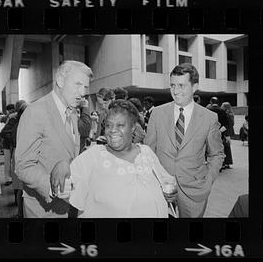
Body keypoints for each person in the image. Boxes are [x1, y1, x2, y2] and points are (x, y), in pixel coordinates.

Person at [68, 99, 177, 218]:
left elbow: (166, 180)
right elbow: (66, 185)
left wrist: (172, 192)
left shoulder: (146, 152)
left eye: (120, 125)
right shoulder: (94, 155)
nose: (112, 130)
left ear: (133, 128)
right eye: (108, 125)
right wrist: (62, 166)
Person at [145, 63, 225, 218]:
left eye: (181, 85)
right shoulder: (157, 113)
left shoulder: (209, 118)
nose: (175, 91)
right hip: (161, 189)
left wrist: (207, 182)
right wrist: (154, 181)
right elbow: (148, 152)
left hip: (195, 191)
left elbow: (217, 154)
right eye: (172, 85)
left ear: (195, 86)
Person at [15, 60, 93, 218]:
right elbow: (23, 166)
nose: (83, 92)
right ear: (60, 80)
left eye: (85, 87)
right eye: (78, 84)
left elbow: (69, 153)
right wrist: (53, 187)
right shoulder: (35, 111)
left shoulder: (72, 112)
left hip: (69, 204)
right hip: (43, 209)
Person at [11, 101, 28, 218]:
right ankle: (20, 213)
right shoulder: (21, 124)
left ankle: (20, 213)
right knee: (21, 188)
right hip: (21, 156)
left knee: (21, 187)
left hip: (20, 155)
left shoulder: (20, 123)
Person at [208, 97, 233, 170]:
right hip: (220, 134)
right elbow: (226, 124)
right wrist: (219, 131)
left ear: (211, 102)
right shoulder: (222, 111)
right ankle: (221, 165)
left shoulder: (208, 110)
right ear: (218, 102)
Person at [0, 103, 17, 185]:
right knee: (8, 161)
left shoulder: (11, 117)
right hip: (9, 143)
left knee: (9, 161)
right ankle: (8, 179)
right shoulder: (10, 117)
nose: (12, 111)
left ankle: (9, 178)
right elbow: (3, 132)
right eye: (11, 109)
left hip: (9, 143)